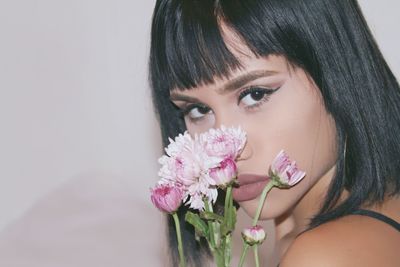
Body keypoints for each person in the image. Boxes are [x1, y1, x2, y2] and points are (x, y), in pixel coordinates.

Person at [148, 0, 400, 266]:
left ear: (336, 71)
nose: (223, 154)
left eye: (255, 94)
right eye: (198, 110)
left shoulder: (323, 256)